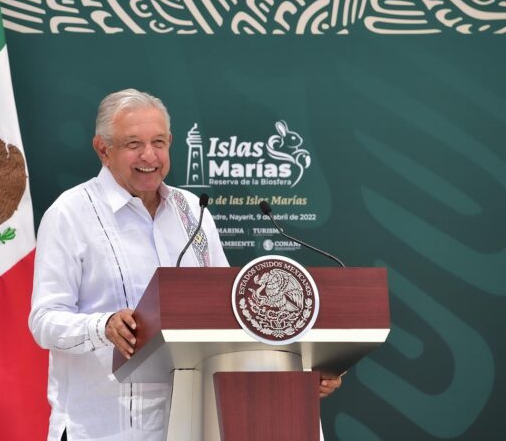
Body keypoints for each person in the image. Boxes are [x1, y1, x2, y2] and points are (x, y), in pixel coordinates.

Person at [29, 89, 341, 441]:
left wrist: (298, 373)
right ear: (103, 149)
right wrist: (104, 327)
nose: (150, 156)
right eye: (133, 144)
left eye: (159, 142)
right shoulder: (70, 214)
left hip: (195, 423)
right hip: (106, 428)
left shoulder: (192, 209)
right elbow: (43, 322)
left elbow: (232, 314)